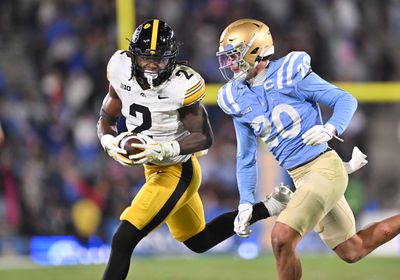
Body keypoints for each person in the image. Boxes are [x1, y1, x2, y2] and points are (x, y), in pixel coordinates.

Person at [97, 19, 293, 280]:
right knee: (199, 240)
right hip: (152, 167)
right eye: (146, 58)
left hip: (176, 170)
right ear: (133, 56)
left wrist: (162, 149)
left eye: (160, 59)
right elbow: (106, 120)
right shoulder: (120, 68)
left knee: (123, 238)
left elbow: (204, 137)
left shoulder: (182, 84)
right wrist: (109, 141)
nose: (152, 65)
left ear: (172, 58)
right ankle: (269, 206)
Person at [216, 18, 400, 280]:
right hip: (300, 177)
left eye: (235, 56)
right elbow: (245, 156)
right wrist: (246, 201)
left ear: (255, 51)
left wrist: (331, 128)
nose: (230, 64)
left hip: (324, 169)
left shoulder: (290, 73)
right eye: (228, 57)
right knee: (352, 249)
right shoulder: (235, 95)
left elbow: (344, 99)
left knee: (280, 238)